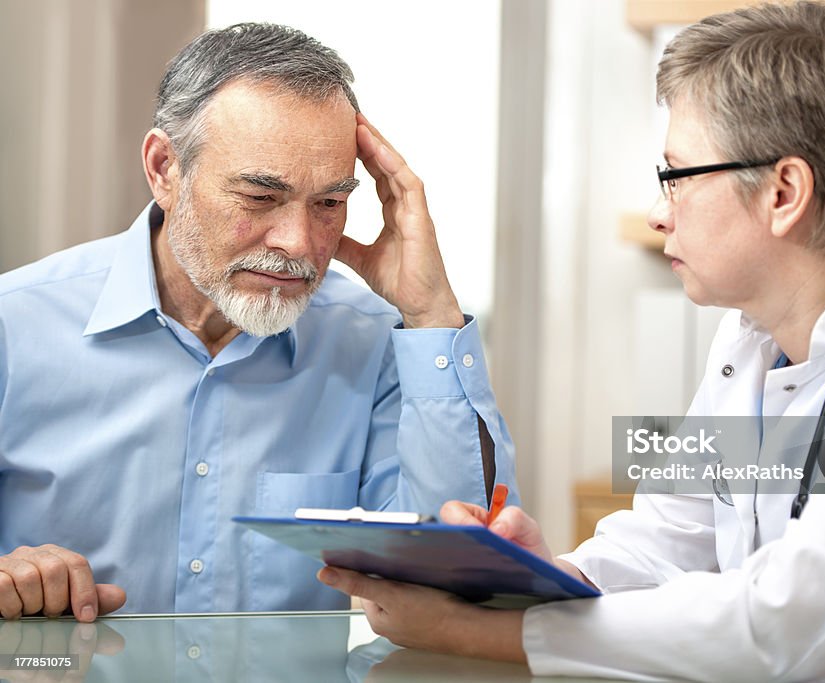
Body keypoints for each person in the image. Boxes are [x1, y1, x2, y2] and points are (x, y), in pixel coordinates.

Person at [317, 2, 825, 680]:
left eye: (676, 175)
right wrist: (556, 576)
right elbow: (668, 538)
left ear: (784, 192)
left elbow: (797, 614)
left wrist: (485, 632)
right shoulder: (751, 335)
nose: (660, 213)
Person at [0, 23, 516, 620]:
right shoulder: (14, 325)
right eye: (260, 197)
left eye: (328, 203)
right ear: (165, 167)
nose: (297, 242)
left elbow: (465, 584)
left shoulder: (379, 343)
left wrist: (430, 314)